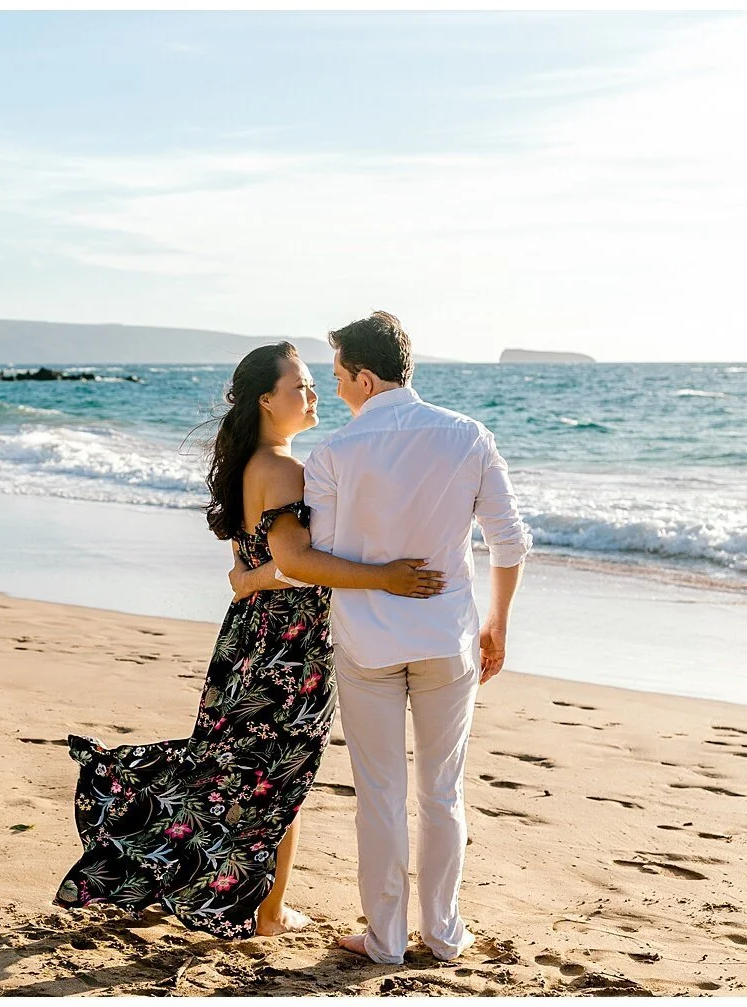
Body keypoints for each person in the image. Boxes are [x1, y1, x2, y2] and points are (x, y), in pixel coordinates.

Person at [53, 340, 446, 940]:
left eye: (316, 383)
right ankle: (267, 913)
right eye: (300, 387)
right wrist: (387, 577)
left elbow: (252, 566)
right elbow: (295, 561)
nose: (312, 394)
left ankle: (173, 877)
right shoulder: (284, 470)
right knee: (277, 779)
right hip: (290, 647)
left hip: (252, 637)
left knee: (236, 771)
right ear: (266, 400)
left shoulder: (251, 464)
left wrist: (247, 580)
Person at [238, 311, 532, 964]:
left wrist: (259, 569)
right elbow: (510, 540)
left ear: (366, 379)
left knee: (380, 795)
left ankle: (386, 939)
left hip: (366, 645)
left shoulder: (335, 453)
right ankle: (445, 933)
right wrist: (496, 622)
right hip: (447, 640)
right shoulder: (468, 435)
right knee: (443, 790)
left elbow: (328, 555)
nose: (336, 389)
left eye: (340, 376)